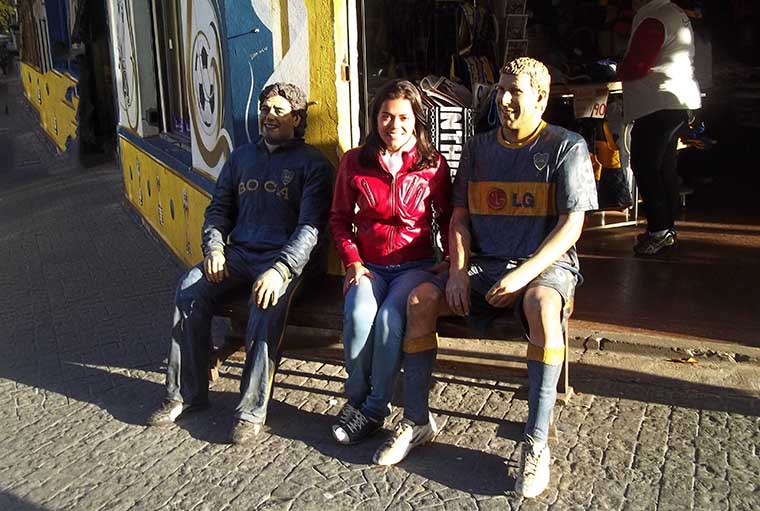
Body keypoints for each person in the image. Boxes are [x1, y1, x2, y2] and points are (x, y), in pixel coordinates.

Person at [372, 58, 598, 500]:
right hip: (484, 264)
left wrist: (524, 275)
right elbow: (458, 217)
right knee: (419, 299)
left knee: (543, 309)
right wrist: (457, 270)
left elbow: (571, 227)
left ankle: (535, 443)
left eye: (515, 91)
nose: (505, 100)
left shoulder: (565, 146)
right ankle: (417, 420)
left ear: (541, 98)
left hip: (542, 266)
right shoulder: (477, 149)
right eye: (500, 90)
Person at [147, 83, 334, 445]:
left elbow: (311, 230)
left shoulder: (314, 165)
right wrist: (214, 249)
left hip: (288, 263)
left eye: (279, 110)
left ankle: (250, 410)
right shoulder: (240, 158)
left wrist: (281, 270)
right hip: (240, 254)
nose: (269, 116)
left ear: (297, 118)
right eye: (265, 109)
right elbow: (218, 211)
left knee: (264, 305)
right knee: (188, 289)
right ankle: (186, 393)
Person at [329, 79, 451, 445]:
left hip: (413, 267)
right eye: (385, 116)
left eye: (402, 117)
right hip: (368, 265)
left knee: (387, 322)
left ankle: (374, 409)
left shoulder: (432, 164)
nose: (393, 125)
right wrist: (352, 260)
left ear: (416, 119)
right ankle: (358, 401)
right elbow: (338, 219)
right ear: (375, 118)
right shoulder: (355, 161)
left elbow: (447, 216)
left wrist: (450, 260)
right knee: (358, 316)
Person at [618, 0, 701, 255]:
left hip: (657, 102)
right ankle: (666, 227)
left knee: (644, 165)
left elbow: (638, 65)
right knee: (664, 165)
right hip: (675, 100)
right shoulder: (673, 12)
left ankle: (659, 231)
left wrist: (615, 69)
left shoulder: (654, 18)